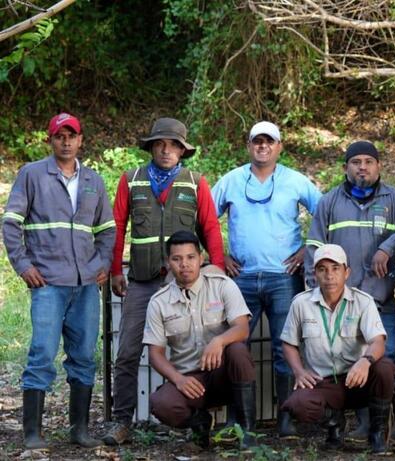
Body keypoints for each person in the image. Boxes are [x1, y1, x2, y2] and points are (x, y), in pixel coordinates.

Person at [104, 117, 226, 445]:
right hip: (142, 281)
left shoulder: (195, 182)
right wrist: (116, 269)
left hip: (185, 284)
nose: (166, 149)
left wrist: (216, 267)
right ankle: (121, 422)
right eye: (160, 143)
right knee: (128, 351)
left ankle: (196, 417)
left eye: (173, 144)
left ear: (183, 150)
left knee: (192, 349)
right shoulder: (131, 180)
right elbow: (117, 226)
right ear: (151, 147)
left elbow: (210, 227)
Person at [2, 113, 115, 449]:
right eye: (59, 136)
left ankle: (79, 431)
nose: (66, 142)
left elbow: (107, 231)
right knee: (42, 353)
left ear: (81, 140)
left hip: (85, 285)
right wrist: (23, 265)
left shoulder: (94, 180)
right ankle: (32, 433)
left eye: (72, 136)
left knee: (84, 356)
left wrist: (103, 263)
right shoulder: (32, 174)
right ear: (50, 141)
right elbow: (11, 223)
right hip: (48, 282)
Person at [304, 140, 395, 440]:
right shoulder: (330, 202)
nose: (362, 167)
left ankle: (388, 424)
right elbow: (314, 248)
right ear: (346, 168)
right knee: (345, 359)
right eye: (356, 162)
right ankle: (359, 423)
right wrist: (312, 291)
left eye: (368, 162)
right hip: (339, 302)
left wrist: (388, 246)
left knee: (389, 359)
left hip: (379, 300)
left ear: (378, 166)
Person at [212, 121, 321, 437]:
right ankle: (239, 420)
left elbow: (325, 213)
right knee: (237, 346)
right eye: (257, 141)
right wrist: (220, 258)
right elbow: (205, 217)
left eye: (269, 142)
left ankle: (286, 418)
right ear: (248, 146)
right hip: (241, 278)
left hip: (284, 278)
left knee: (285, 346)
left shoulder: (295, 181)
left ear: (279, 146)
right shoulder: (232, 180)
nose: (263, 146)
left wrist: (306, 250)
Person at [143, 231, 256, 448]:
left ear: (201, 258)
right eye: (177, 259)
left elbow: (242, 328)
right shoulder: (159, 302)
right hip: (190, 381)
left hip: (223, 373)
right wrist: (178, 379)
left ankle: (247, 431)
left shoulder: (222, 285)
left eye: (190, 257)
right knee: (161, 404)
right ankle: (201, 422)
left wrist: (219, 341)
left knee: (238, 351)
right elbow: (155, 354)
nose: (184, 264)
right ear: (168, 262)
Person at [282, 244, 395, 454]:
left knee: (385, 368)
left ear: (347, 272)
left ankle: (377, 432)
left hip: (358, 380)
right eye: (322, 269)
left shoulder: (363, 302)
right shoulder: (301, 303)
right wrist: (299, 371)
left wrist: (365, 362)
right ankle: (334, 422)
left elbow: (378, 341)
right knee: (297, 404)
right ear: (315, 273)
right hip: (323, 383)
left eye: (335, 268)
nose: (329, 276)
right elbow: (289, 343)